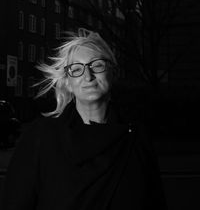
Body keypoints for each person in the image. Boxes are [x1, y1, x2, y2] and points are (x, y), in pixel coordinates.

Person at [1, 28, 167, 210]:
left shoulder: (137, 139)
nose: (88, 76)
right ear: (67, 83)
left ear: (113, 72)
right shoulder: (40, 138)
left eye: (96, 65)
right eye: (76, 69)